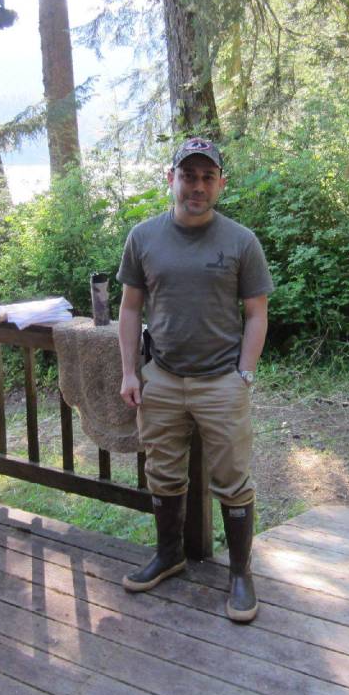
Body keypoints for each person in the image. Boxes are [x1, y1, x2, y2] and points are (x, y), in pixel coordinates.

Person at [116, 137, 273, 622]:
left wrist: (244, 374)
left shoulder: (241, 242)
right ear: (172, 179)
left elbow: (256, 314)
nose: (198, 186)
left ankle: (241, 574)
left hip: (221, 382)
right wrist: (129, 372)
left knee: (231, 479)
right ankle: (170, 554)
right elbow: (129, 308)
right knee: (163, 472)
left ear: (220, 184)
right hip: (160, 378)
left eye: (208, 177)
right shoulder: (143, 237)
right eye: (189, 176)